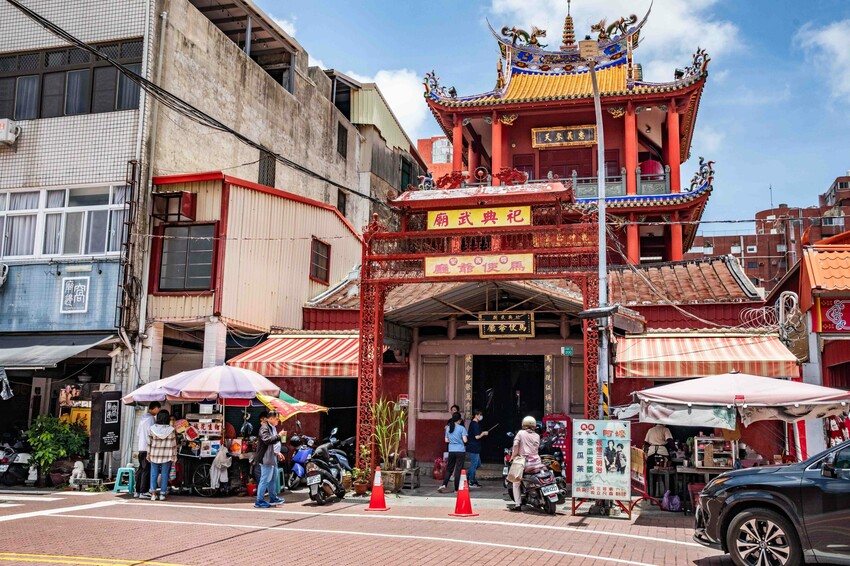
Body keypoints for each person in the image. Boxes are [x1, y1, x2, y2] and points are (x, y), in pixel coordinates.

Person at [508, 415, 544, 511]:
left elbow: (515, 445)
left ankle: (517, 504)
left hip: (525, 462)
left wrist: (513, 457)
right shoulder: (537, 435)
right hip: (537, 461)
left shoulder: (520, 433)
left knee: (516, 482)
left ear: (523, 424)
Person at [254, 410, 286, 508]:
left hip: (273, 456)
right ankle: (259, 501)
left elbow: (273, 445)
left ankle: (273, 498)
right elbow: (267, 440)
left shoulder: (273, 428)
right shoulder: (264, 428)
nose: (278, 420)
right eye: (277, 419)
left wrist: (278, 452)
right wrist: (279, 436)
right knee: (265, 479)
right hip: (266, 458)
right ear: (271, 418)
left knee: (273, 478)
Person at [147, 410, 177, 502]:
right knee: (164, 474)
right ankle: (162, 494)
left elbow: (149, 443)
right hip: (166, 455)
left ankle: (153, 493)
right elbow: (173, 444)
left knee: (154, 474)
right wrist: (174, 456)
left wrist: (148, 454)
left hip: (154, 454)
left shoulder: (152, 428)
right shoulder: (171, 430)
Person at [135, 401, 160, 499]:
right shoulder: (151, 419)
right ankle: (143, 491)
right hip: (147, 448)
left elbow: (138, 433)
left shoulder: (142, 418)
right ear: (155, 408)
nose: (158, 411)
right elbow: (153, 433)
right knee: (146, 470)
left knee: (141, 469)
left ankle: (137, 491)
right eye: (158, 409)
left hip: (140, 447)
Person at [437, 412, 467, 493]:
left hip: (451, 450)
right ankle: (456, 489)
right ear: (459, 420)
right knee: (458, 469)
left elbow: (446, 440)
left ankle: (444, 484)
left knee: (449, 468)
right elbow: (465, 440)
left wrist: (452, 441)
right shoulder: (462, 428)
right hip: (460, 450)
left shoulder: (448, 428)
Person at [466, 409, 488, 488]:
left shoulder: (474, 424)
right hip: (474, 447)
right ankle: (472, 481)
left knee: (477, 464)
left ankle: (466, 474)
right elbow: (477, 436)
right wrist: (483, 433)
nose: (480, 416)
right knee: (474, 465)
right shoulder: (475, 424)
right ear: (476, 415)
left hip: (475, 447)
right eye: (479, 415)